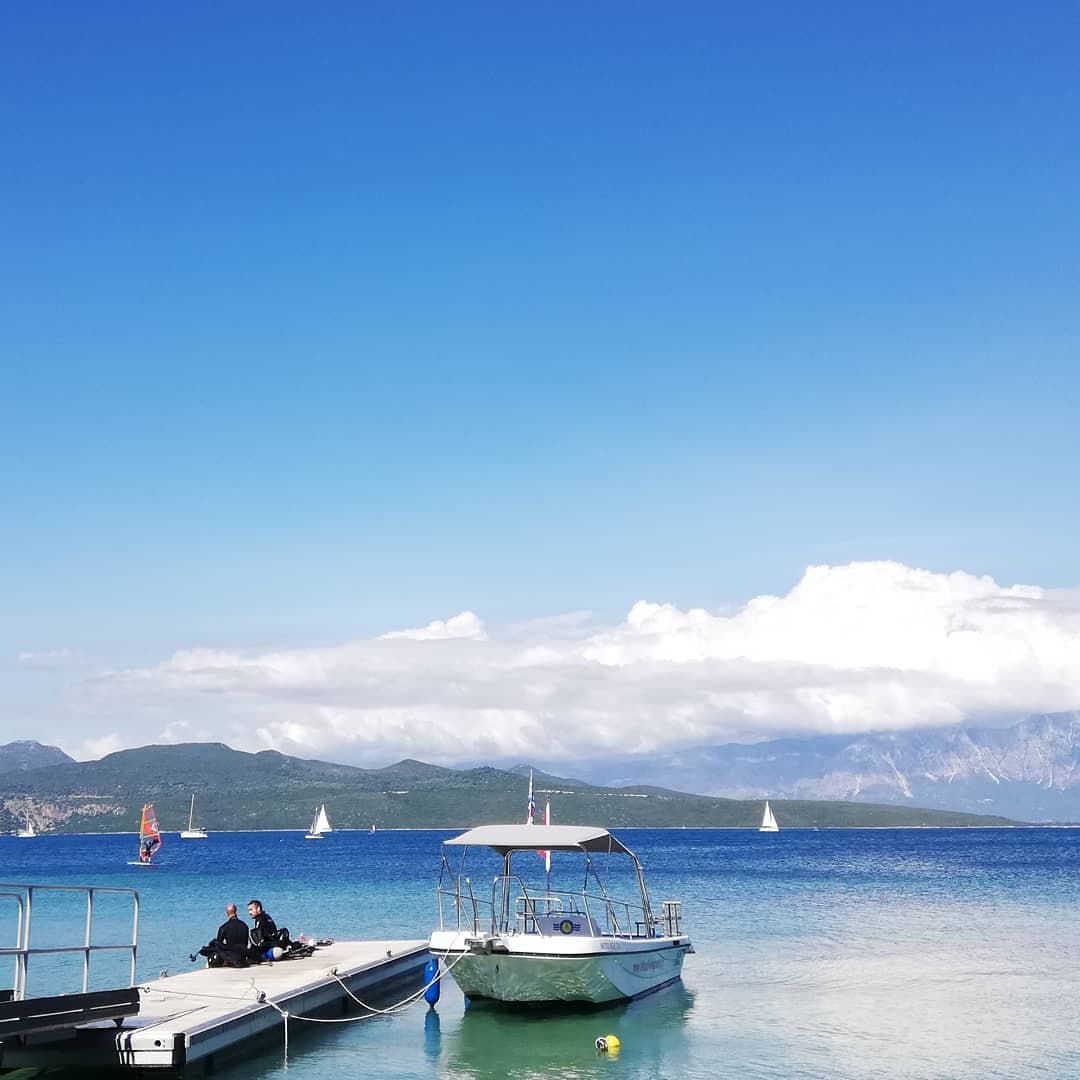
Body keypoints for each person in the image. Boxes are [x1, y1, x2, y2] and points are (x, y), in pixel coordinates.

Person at [194, 903, 250, 968]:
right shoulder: (244, 926)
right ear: (236, 911)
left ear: (226, 913)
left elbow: (218, 946)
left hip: (232, 958)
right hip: (243, 956)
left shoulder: (224, 927)